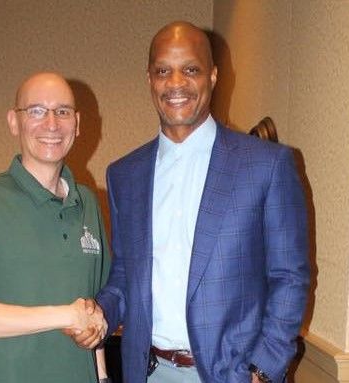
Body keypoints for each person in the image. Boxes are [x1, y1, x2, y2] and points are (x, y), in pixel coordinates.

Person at [91, 22, 310, 383]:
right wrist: (98, 314)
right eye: (163, 71)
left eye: (190, 69)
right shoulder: (123, 175)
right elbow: (126, 276)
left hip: (234, 375)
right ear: (149, 79)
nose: (175, 83)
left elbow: (290, 275)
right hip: (148, 372)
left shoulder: (267, 166)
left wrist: (262, 371)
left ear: (212, 75)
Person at [0, 72, 111, 383]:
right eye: (37, 111)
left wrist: (103, 375)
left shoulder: (87, 202)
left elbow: (91, 305)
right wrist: (66, 315)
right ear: (13, 122)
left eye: (63, 111)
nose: (52, 124)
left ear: (77, 123)